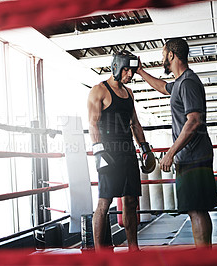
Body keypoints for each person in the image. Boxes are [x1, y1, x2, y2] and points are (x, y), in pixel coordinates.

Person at [136, 38, 217, 248]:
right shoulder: (181, 82)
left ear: (171, 55)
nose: (162, 59)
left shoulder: (188, 82)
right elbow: (163, 87)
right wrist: (140, 71)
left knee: (197, 209)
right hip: (191, 154)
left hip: (194, 155)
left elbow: (193, 121)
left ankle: (205, 258)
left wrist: (170, 153)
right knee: (194, 209)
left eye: (163, 55)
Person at [87, 50, 156, 252]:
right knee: (104, 201)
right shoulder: (99, 90)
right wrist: (99, 151)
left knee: (131, 199)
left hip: (128, 152)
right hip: (108, 151)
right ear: (116, 67)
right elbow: (92, 123)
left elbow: (135, 123)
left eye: (132, 70)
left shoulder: (128, 93)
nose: (130, 74)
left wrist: (144, 148)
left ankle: (133, 248)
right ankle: (101, 254)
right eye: (127, 70)